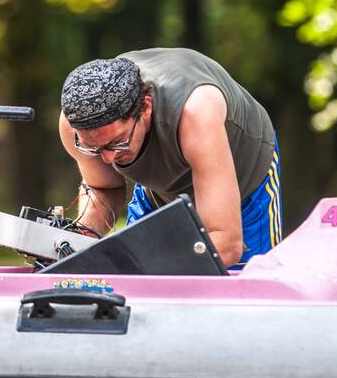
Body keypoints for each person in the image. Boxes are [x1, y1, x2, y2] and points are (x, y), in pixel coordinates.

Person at [58, 47, 282, 269]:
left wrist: (136, 267)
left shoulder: (196, 112)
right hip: (161, 186)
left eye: (117, 142)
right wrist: (75, 242)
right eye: (93, 148)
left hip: (244, 182)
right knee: (135, 293)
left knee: (240, 292)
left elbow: (225, 245)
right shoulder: (76, 123)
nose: (108, 159)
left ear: (145, 108)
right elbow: (104, 188)